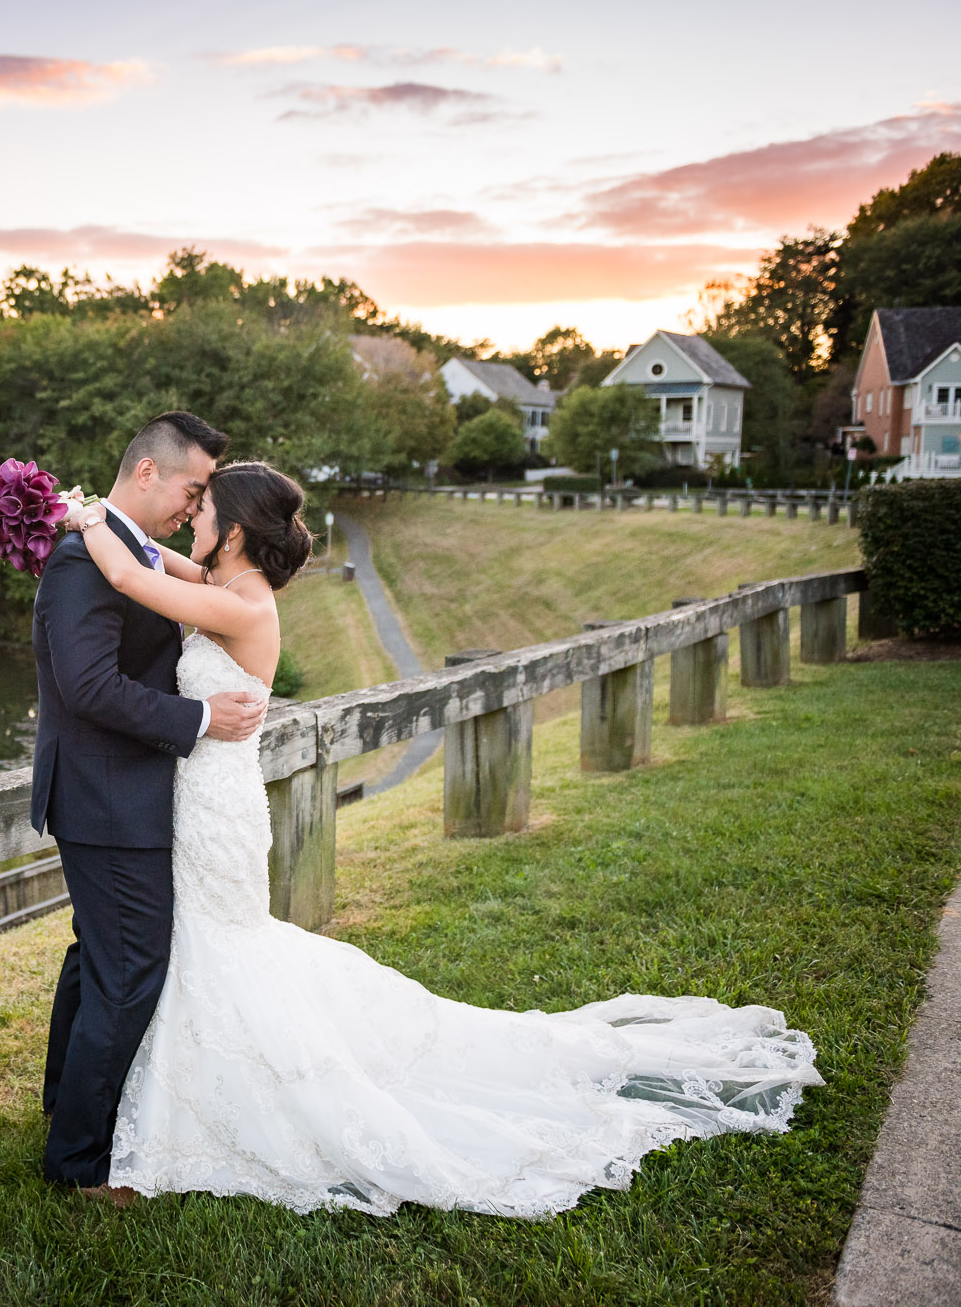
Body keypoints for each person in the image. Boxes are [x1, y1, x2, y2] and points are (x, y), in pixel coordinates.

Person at [58, 459, 823, 1217]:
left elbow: (131, 579)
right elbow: (158, 559)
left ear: (232, 532)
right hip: (198, 798)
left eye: (203, 511)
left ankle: (209, 1098)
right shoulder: (225, 583)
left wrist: (89, 520)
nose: (192, 519)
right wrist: (97, 519)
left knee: (220, 943)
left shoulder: (247, 605)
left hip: (216, 806)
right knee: (194, 943)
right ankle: (157, 1096)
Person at [30, 411, 268, 1200]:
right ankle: (79, 1168)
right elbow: (88, 686)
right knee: (128, 971)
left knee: (97, 959)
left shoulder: (126, 549)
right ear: (146, 475)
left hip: (130, 795)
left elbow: (155, 591)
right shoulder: (82, 560)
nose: (193, 507)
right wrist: (199, 719)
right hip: (105, 797)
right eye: (191, 489)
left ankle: (65, 1113)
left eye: (207, 499)